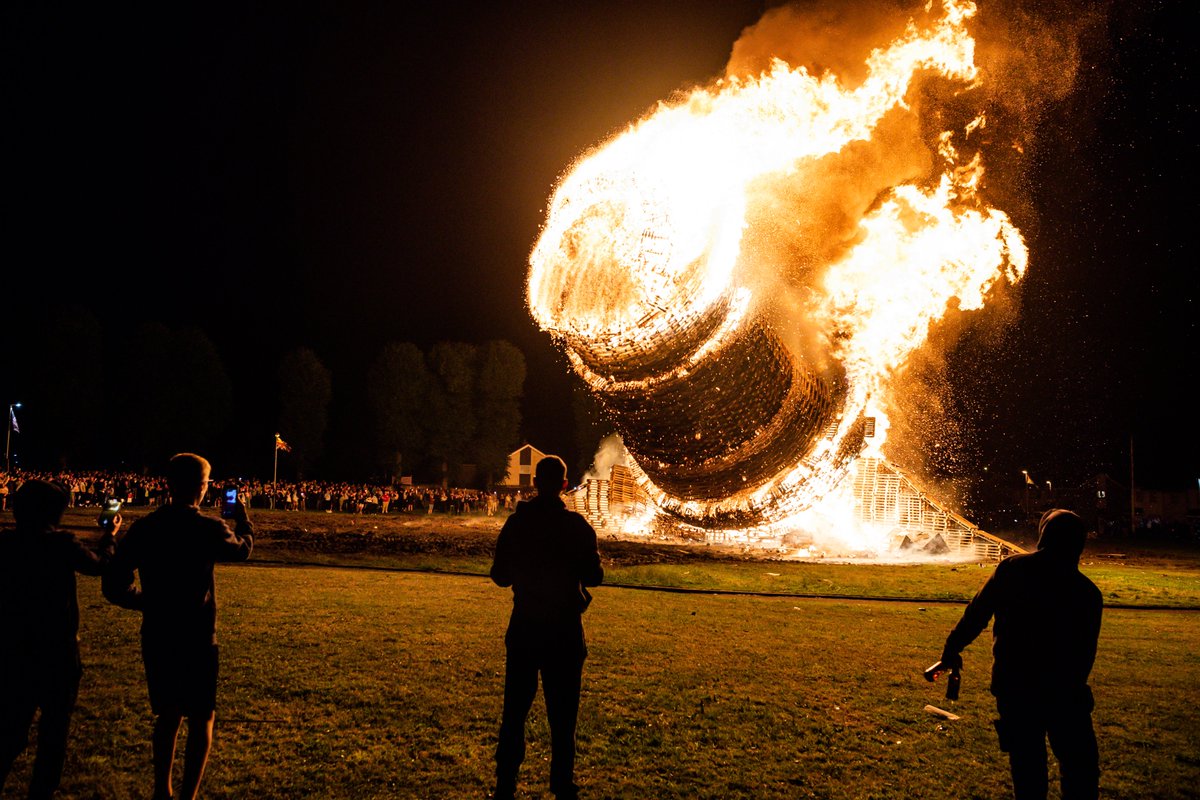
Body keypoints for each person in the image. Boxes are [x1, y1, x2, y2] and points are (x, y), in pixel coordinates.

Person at [102, 453, 253, 800]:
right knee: (202, 717)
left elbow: (114, 583)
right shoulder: (207, 527)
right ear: (202, 488)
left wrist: (145, 601)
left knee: (168, 714)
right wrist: (243, 521)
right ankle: (188, 795)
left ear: (168, 485)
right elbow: (242, 550)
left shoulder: (146, 528)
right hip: (198, 633)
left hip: (158, 632)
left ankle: (162, 790)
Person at [936, 508, 1102, 799]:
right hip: (1066, 694)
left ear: (1044, 537)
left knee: (1027, 769)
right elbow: (1084, 653)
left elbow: (977, 614)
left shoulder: (1013, 569)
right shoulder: (1087, 592)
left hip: (1016, 688)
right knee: (1079, 770)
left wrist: (952, 648)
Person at [490, 456, 603, 800]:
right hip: (564, 630)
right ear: (565, 486)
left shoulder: (517, 524)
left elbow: (499, 576)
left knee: (514, 711)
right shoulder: (576, 527)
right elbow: (595, 577)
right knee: (563, 714)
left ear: (535, 483)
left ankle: (506, 783)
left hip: (525, 626)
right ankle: (562, 784)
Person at [0, 479, 117, 799]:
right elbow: (100, 566)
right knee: (54, 731)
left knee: (11, 726)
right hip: (57, 651)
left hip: (14, 649)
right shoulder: (61, 543)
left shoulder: (6, 544)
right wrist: (109, 537)